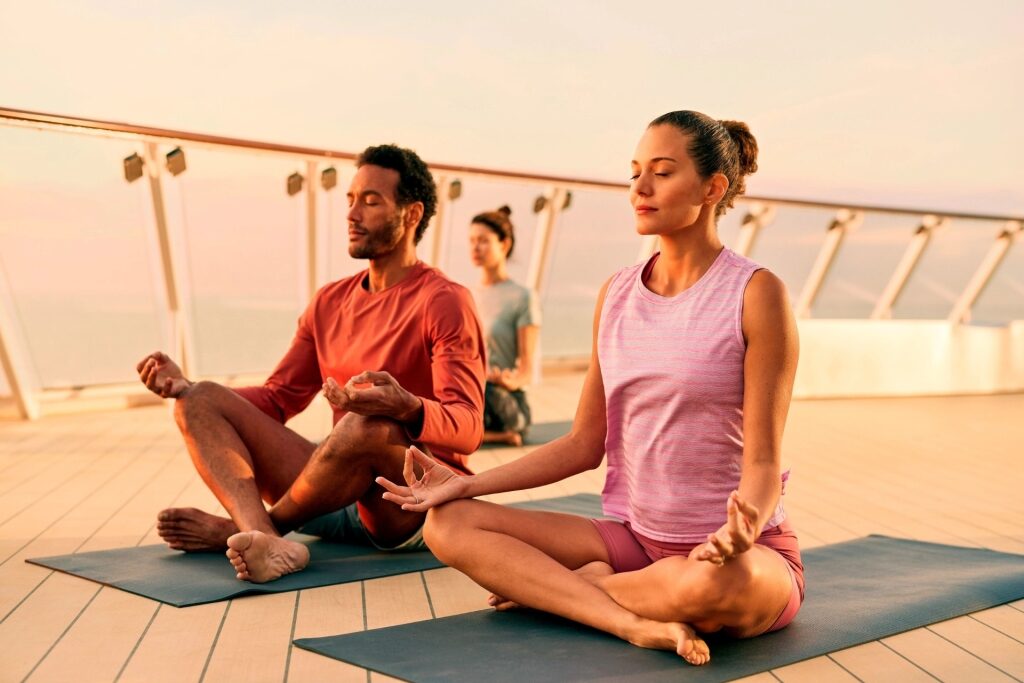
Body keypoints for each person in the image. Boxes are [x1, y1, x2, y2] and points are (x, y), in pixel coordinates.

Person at [377, 111, 802, 666]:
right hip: (636, 541)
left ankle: (564, 594)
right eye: (634, 173)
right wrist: (461, 486)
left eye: (663, 173)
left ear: (712, 188)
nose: (640, 189)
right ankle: (627, 620)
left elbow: (764, 461)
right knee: (448, 523)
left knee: (712, 586)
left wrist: (742, 527)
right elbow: (583, 443)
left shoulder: (755, 293)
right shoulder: (618, 294)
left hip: (737, 557)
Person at [135, 144, 485, 583]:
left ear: (412, 215)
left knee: (364, 424)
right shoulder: (329, 301)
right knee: (197, 400)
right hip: (330, 496)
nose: (353, 214)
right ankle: (265, 538)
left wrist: (406, 407)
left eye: (371, 201)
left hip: (411, 506)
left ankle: (251, 529)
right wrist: (187, 385)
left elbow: (469, 427)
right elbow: (278, 398)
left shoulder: (445, 301)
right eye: (351, 200)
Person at [468, 206, 541, 447]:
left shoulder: (522, 296)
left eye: (483, 241)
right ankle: (489, 435)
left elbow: (526, 372)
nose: (475, 248)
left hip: (503, 401)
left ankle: (490, 433)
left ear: (504, 244)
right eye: (472, 241)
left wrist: (510, 380)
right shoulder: (465, 296)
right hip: (472, 393)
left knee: (486, 388)